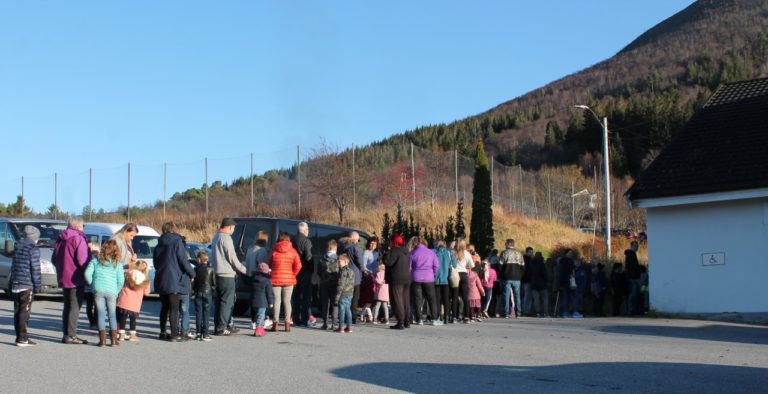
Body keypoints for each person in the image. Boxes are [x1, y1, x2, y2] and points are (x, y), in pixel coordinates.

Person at [154, 222, 196, 341]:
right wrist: (192, 273)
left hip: (161, 278)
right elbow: (183, 260)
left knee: (164, 307)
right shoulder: (177, 242)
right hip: (174, 279)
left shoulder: (158, 244)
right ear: (174, 229)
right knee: (174, 307)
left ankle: (163, 332)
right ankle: (174, 334)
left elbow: (156, 263)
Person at [53, 217, 91, 345]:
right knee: (75, 306)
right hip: (76, 278)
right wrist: (89, 274)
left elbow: (54, 258)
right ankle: (71, 335)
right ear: (79, 226)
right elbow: (82, 260)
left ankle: (67, 333)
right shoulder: (78, 238)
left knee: (67, 305)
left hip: (63, 276)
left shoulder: (60, 238)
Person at [84, 240, 125, 348]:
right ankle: (113, 341)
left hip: (98, 290)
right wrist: (116, 290)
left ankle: (102, 341)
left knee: (101, 314)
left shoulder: (95, 261)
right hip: (112, 291)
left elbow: (87, 274)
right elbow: (121, 280)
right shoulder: (118, 264)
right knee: (112, 315)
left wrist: (92, 285)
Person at [211, 218, 246, 336]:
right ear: (229, 226)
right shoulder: (226, 238)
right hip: (227, 275)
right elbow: (232, 257)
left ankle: (219, 325)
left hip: (217, 274)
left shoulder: (216, 236)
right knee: (227, 302)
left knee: (219, 302)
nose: (234, 230)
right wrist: (243, 269)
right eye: (234, 228)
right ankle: (221, 328)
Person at [10, 225, 42, 347]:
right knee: (25, 311)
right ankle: (22, 338)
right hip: (26, 283)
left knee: (18, 310)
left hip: (15, 282)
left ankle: (19, 336)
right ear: (35, 238)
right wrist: (37, 285)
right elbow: (35, 269)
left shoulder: (17, 246)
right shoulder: (33, 248)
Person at [269, 232, 302, 332]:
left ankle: (275, 324)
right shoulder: (293, 251)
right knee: (287, 301)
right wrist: (293, 274)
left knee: (276, 301)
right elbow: (299, 265)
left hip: (275, 278)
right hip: (289, 279)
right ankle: (287, 325)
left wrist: (273, 271)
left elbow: (269, 264)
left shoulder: (274, 250)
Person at [116, 259, 150, 342]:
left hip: (125, 299)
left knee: (123, 317)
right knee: (133, 319)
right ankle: (132, 335)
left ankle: (121, 335)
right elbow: (146, 293)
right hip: (135, 303)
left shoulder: (127, 273)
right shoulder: (145, 279)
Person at [409, 236, 441, 325]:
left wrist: (412, 275)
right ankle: (434, 319)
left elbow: (409, 268)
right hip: (429, 278)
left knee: (417, 299)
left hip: (416, 278)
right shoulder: (431, 253)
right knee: (431, 299)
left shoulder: (412, 253)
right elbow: (436, 266)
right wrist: (433, 274)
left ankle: (419, 319)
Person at [384, 234, 411, 330]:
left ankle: (400, 322)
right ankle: (407, 320)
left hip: (397, 278)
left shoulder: (394, 251)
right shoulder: (406, 251)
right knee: (405, 300)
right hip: (407, 277)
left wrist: (386, 253)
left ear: (393, 242)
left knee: (397, 300)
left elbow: (388, 262)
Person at [291, 222, 313, 327]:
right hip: (305, 272)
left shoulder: (292, 240)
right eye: (307, 229)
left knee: (295, 297)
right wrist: (311, 269)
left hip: (294, 272)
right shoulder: (306, 241)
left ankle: (295, 319)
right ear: (304, 230)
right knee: (305, 297)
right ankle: (304, 320)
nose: (308, 231)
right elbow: (308, 257)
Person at [340, 232, 365, 323]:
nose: (358, 241)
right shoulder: (355, 248)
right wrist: (363, 271)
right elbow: (360, 262)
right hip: (355, 276)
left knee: (345, 297)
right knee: (355, 298)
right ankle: (352, 317)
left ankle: (344, 317)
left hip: (344, 275)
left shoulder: (342, 247)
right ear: (354, 239)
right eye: (358, 239)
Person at [498, 239, 524, 319]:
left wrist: (502, 274)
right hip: (517, 278)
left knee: (506, 295)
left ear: (509, 244)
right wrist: (520, 275)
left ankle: (506, 313)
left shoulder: (504, 252)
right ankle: (518, 313)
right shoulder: (519, 253)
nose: (505, 244)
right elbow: (523, 266)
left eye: (505, 243)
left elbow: (500, 265)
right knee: (517, 296)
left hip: (507, 277)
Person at [193, 251, 215, 341]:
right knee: (206, 313)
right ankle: (205, 333)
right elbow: (213, 283)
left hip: (198, 292)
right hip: (207, 292)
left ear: (199, 259)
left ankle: (198, 333)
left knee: (198, 313)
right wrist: (212, 292)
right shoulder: (211, 269)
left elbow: (193, 283)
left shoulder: (196, 269)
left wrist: (194, 291)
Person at [318, 240, 340, 330]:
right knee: (335, 303)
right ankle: (334, 323)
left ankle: (325, 323)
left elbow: (318, 272)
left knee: (325, 303)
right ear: (335, 248)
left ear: (328, 248)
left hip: (324, 283)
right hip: (335, 284)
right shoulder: (338, 259)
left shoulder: (322, 259)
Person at [250, 263, 274, 337]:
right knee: (261, 316)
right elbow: (269, 293)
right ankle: (258, 330)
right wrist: (271, 302)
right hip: (262, 302)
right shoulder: (267, 281)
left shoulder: (253, 278)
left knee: (257, 315)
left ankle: (260, 329)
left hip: (253, 301)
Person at [453, 239, 475, 323]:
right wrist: (465, 265)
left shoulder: (453, 252)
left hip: (455, 274)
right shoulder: (467, 253)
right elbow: (472, 265)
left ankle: (454, 316)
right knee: (465, 296)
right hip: (464, 274)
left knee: (455, 297)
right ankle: (466, 316)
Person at [433, 240, 453, 324]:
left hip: (436, 279)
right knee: (446, 299)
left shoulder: (433, 252)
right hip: (446, 279)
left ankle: (437, 316)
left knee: (437, 299)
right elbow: (454, 265)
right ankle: (446, 317)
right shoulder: (448, 253)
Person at [335, 254, 355, 333]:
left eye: (340, 261)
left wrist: (337, 298)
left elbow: (341, 285)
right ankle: (349, 327)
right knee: (348, 310)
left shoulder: (342, 272)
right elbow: (352, 283)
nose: (338, 263)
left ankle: (341, 327)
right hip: (350, 293)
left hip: (343, 293)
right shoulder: (351, 271)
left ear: (346, 262)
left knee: (342, 311)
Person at [84, 242, 100, 330]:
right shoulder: (98, 258)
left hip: (88, 285)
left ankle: (92, 322)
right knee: (97, 305)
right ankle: (96, 322)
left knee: (89, 305)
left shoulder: (86, 257)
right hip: (96, 285)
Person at [528, 252, 549, 317]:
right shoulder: (542, 264)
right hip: (542, 284)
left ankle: (538, 312)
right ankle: (545, 313)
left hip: (534, 283)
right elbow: (545, 274)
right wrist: (546, 280)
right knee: (545, 298)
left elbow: (529, 274)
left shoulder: (531, 264)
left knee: (536, 299)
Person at [557, 249, 576, 318]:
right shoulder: (564, 261)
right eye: (570, 253)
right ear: (566, 254)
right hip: (565, 282)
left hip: (570, 282)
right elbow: (562, 273)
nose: (571, 254)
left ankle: (570, 311)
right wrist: (560, 283)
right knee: (565, 298)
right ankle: (565, 312)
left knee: (570, 298)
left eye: (572, 253)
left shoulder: (570, 261)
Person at [625, 241, 642, 315]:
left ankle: (632, 310)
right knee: (633, 295)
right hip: (632, 277)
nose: (636, 248)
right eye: (635, 246)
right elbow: (632, 267)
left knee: (634, 294)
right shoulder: (631, 254)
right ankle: (631, 310)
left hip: (633, 277)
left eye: (637, 246)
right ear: (631, 246)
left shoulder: (631, 254)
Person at [521, 247, 534, 316]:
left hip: (526, 279)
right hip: (527, 279)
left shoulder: (525, 259)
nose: (531, 254)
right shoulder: (527, 259)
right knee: (527, 296)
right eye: (530, 252)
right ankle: (526, 311)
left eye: (532, 252)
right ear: (527, 252)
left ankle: (526, 310)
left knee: (528, 296)